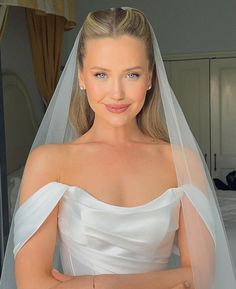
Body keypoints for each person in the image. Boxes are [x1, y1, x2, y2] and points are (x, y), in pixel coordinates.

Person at [0, 6, 236, 289]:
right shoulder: (49, 162)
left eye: (132, 75)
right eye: (101, 74)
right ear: (81, 77)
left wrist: (97, 283)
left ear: (150, 77)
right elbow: (32, 284)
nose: (117, 93)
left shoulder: (181, 161)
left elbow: (201, 275)